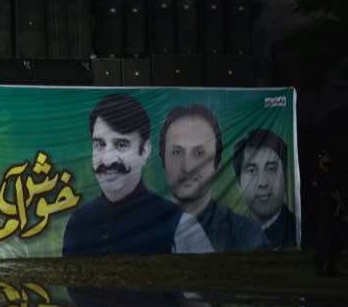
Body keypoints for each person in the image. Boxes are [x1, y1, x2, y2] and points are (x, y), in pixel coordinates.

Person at [62, 93, 213, 256]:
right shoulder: (78, 223)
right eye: (99, 145)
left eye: (121, 145)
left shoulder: (177, 224)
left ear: (145, 150)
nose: (107, 159)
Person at [159, 104, 268, 252]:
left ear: (217, 165)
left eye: (199, 153)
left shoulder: (246, 234)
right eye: (177, 152)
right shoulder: (141, 231)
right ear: (163, 160)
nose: (187, 167)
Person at [233, 129, 298, 249]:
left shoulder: (298, 230)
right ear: (239, 182)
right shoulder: (231, 235)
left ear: (285, 176)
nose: (262, 183)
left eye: (271, 169)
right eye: (252, 170)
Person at [311, 149, 345, 275]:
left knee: (336, 239)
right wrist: (330, 196)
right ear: (321, 159)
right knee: (323, 239)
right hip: (323, 212)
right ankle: (319, 266)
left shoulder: (330, 175)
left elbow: (336, 192)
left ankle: (331, 266)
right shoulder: (317, 175)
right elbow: (316, 193)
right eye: (325, 157)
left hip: (334, 212)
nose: (328, 159)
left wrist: (340, 205)